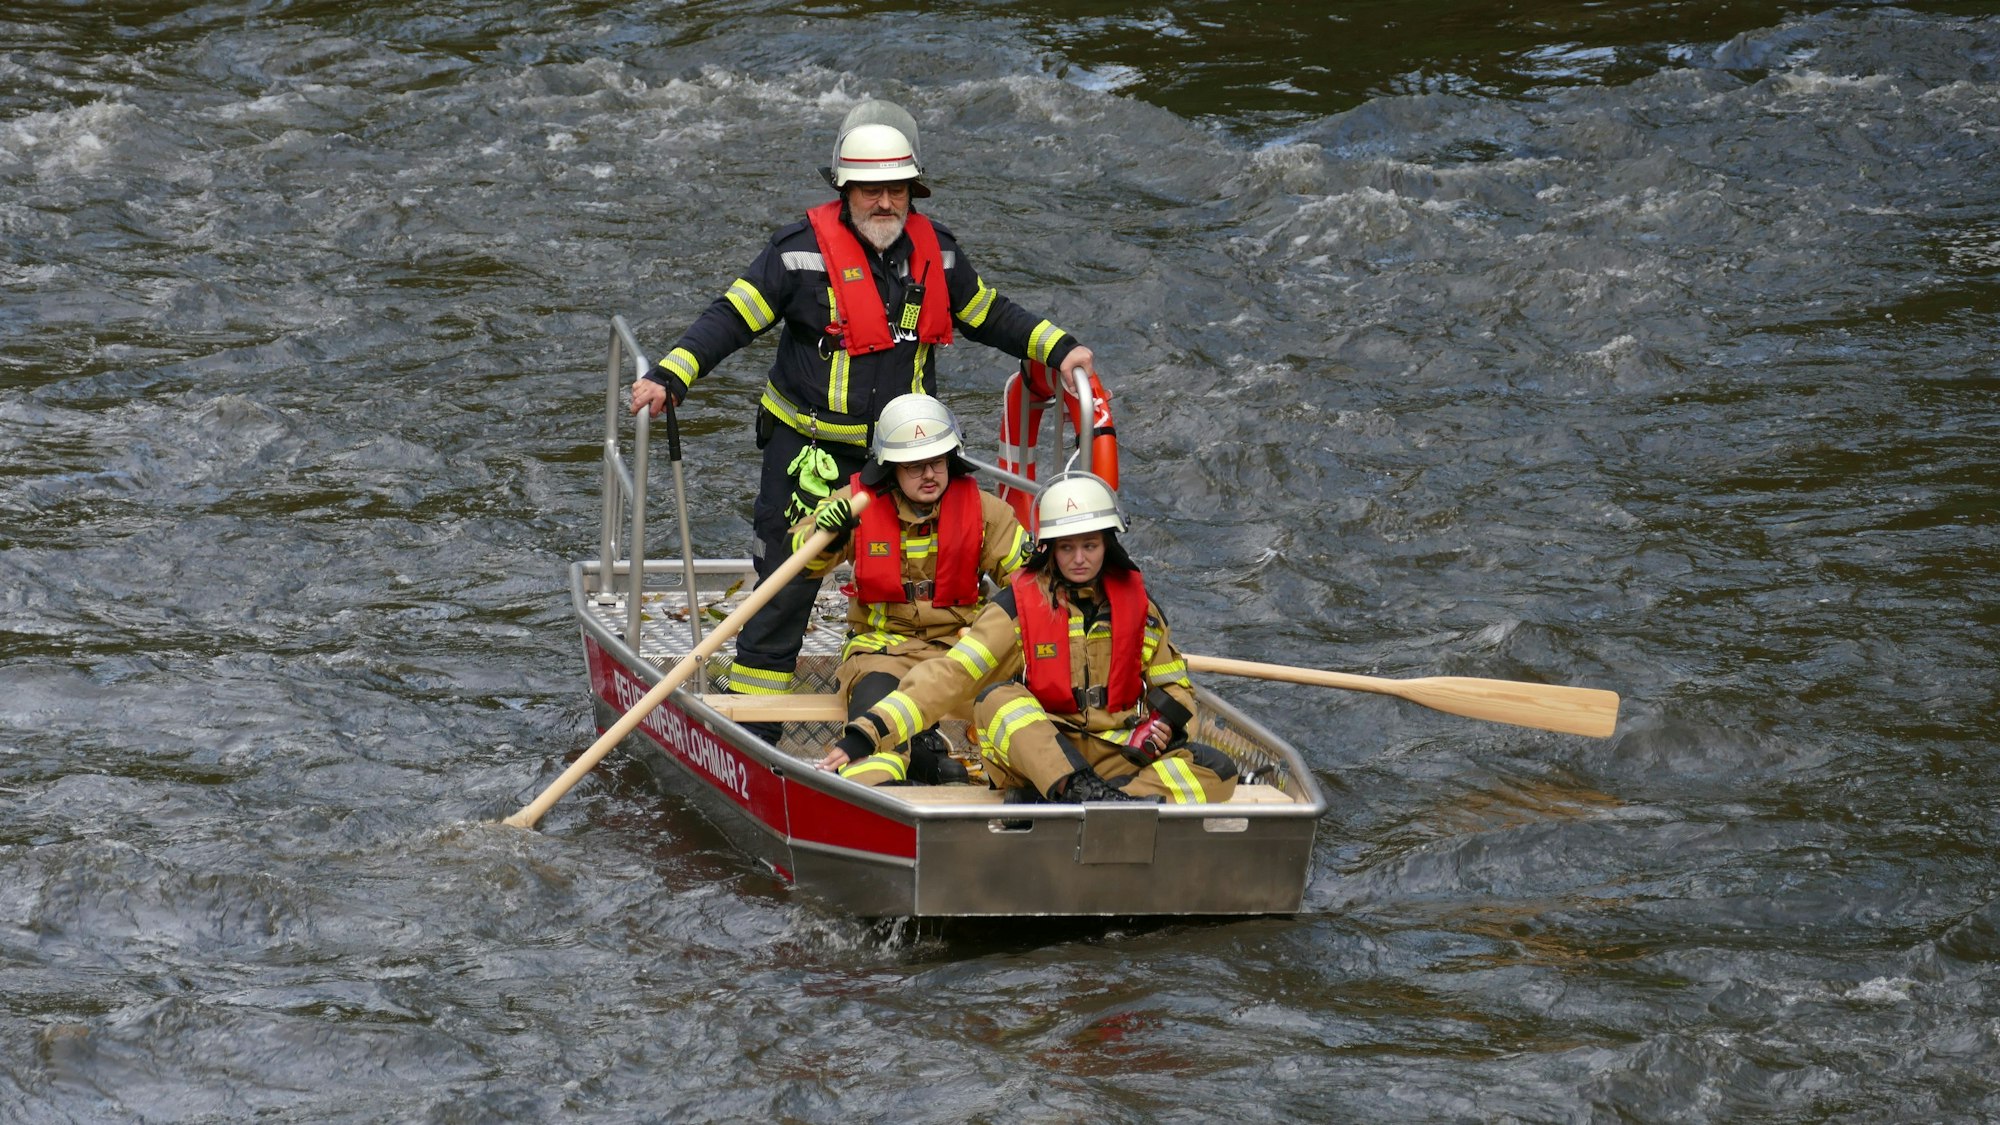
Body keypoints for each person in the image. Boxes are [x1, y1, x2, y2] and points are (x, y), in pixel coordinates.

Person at [630, 99, 1100, 743]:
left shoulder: (940, 256)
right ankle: (754, 724)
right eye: (872, 190)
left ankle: (930, 695)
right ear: (845, 192)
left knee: (930, 570)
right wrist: (670, 374)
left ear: (913, 191)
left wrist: (1060, 347)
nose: (885, 203)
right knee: (788, 576)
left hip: (906, 460)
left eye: (896, 190)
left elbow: (990, 312)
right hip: (811, 452)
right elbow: (732, 315)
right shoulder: (796, 254)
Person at [817, 472, 1240, 804]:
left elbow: (1176, 687)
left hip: (1115, 754)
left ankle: (1109, 802)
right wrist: (866, 734)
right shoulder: (1017, 607)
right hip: (1040, 752)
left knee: (1218, 770)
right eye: (1067, 548)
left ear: (1107, 545)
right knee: (1000, 700)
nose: (1079, 559)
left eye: (1090, 546)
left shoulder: (1141, 610)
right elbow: (950, 675)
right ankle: (1076, 793)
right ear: (1050, 550)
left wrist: (1163, 721)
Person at [795, 393, 1032, 786]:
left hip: (962, 655)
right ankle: (884, 793)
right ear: (889, 467)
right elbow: (802, 562)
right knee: (874, 713)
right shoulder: (856, 507)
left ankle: (1019, 781)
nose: (928, 475)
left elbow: (1030, 583)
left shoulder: (985, 511)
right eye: (914, 465)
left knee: (1021, 711)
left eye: (936, 462)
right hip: (883, 652)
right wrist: (826, 533)